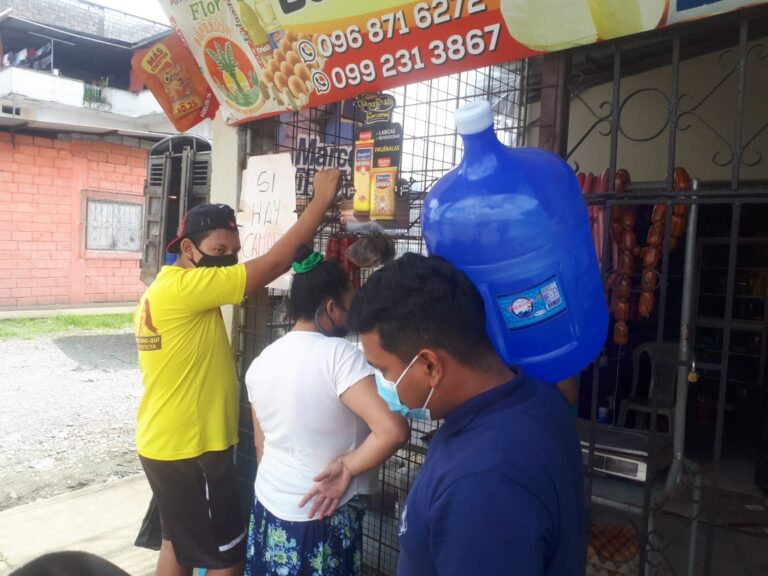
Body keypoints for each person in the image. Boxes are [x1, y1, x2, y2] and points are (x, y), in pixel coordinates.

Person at [133, 169, 341, 576]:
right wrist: (321, 201)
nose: (228, 258)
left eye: (235, 250)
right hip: (194, 449)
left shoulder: (161, 289)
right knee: (227, 558)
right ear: (189, 248)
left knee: (178, 541)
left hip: (162, 442)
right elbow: (278, 261)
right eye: (219, 248)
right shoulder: (187, 289)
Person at [347, 253, 587, 576]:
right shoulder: (534, 393)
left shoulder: (482, 484)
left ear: (430, 366)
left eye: (382, 370)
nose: (381, 384)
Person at [243, 245, 408, 576]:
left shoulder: (260, 363)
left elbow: (261, 447)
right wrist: (348, 465)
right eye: (349, 306)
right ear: (331, 308)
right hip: (323, 512)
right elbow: (393, 430)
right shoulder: (339, 355)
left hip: (269, 507)